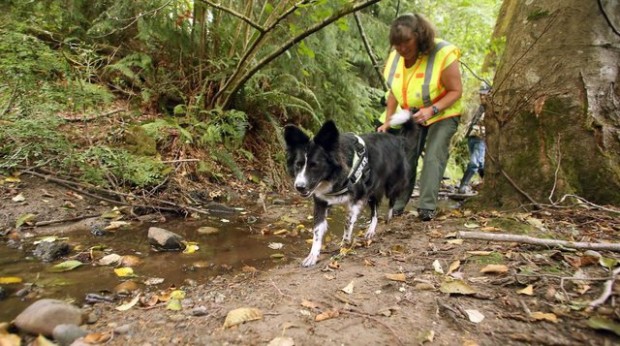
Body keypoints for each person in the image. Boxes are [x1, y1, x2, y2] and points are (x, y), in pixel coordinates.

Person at [377, 13, 463, 221]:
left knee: (433, 156)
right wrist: (388, 120)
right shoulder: (396, 58)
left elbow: (456, 91)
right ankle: (397, 204)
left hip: (443, 112)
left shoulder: (442, 53)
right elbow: (394, 93)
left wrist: (432, 109)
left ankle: (426, 207)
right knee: (406, 156)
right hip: (412, 115)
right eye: (397, 44)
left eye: (407, 41)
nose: (402, 48)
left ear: (420, 36)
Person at [458, 84, 490, 194]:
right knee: (480, 163)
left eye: (484, 95)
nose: (482, 97)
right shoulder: (479, 108)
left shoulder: (492, 109)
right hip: (472, 137)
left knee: (474, 162)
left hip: (481, 139)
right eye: (481, 95)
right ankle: (487, 183)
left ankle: (463, 185)